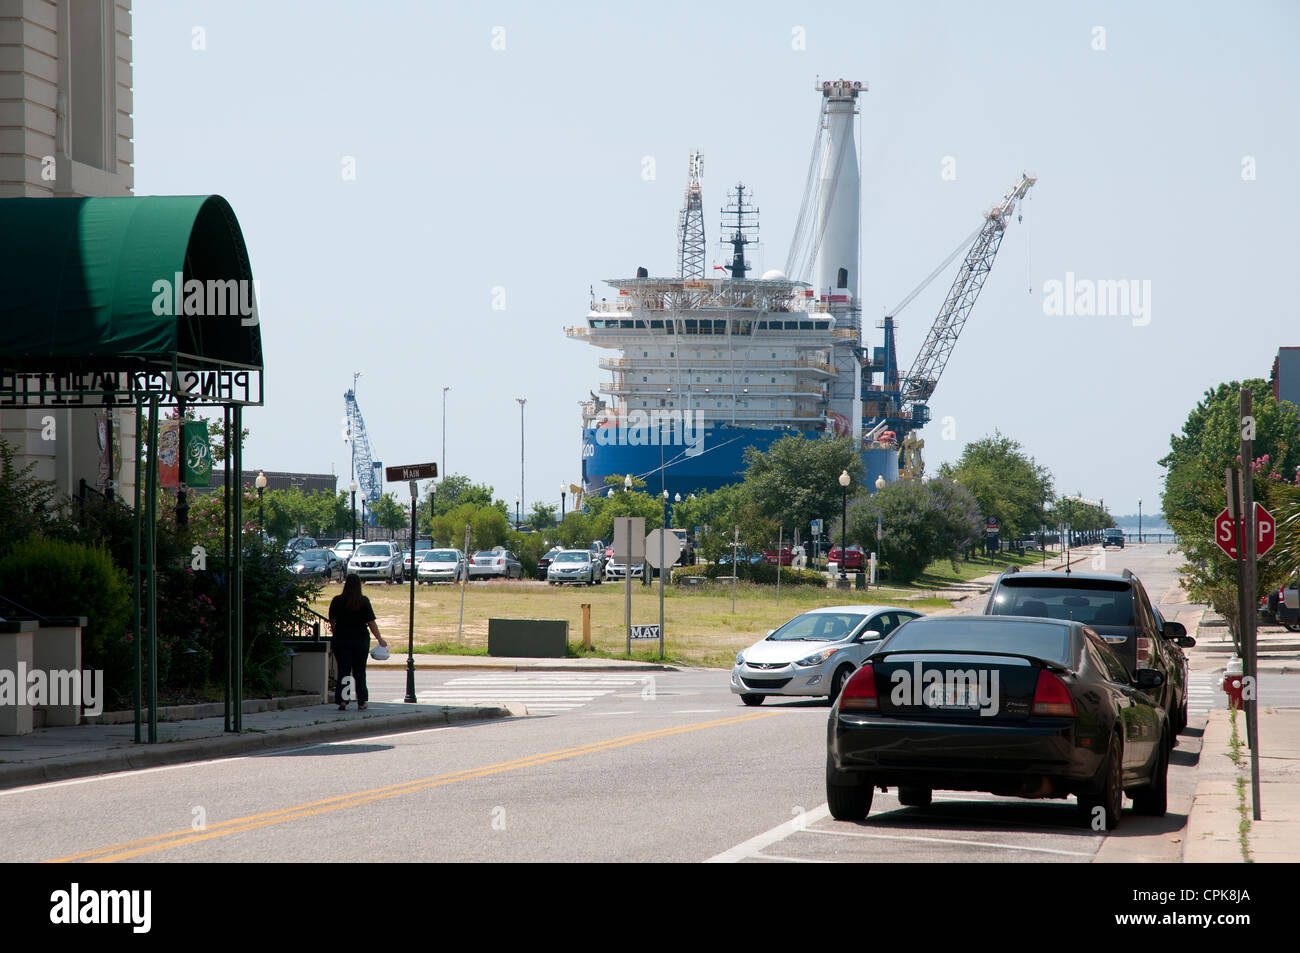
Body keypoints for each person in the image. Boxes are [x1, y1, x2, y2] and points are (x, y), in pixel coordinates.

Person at [328, 573, 387, 710]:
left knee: (344, 670)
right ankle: (361, 701)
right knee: (360, 671)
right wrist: (379, 639)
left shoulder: (337, 600)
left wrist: (335, 631)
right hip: (360, 640)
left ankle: (343, 700)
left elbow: (332, 619)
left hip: (342, 639)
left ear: (346, 584)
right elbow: (371, 622)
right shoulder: (363, 601)